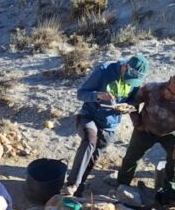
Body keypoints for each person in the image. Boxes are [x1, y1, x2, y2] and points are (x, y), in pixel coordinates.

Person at [63, 55, 150, 197]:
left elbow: (132, 100)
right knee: (90, 139)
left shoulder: (135, 81)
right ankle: (72, 183)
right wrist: (98, 95)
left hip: (111, 123)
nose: (131, 82)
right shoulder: (104, 70)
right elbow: (81, 94)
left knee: (95, 153)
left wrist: (128, 107)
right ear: (125, 66)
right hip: (89, 115)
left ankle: (80, 185)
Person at [116, 74, 175, 191]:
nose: (170, 95)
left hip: (171, 132)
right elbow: (133, 103)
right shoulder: (152, 89)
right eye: (169, 90)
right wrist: (137, 123)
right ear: (169, 80)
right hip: (146, 128)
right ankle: (122, 184)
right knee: (131, 157)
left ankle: (169, 192)